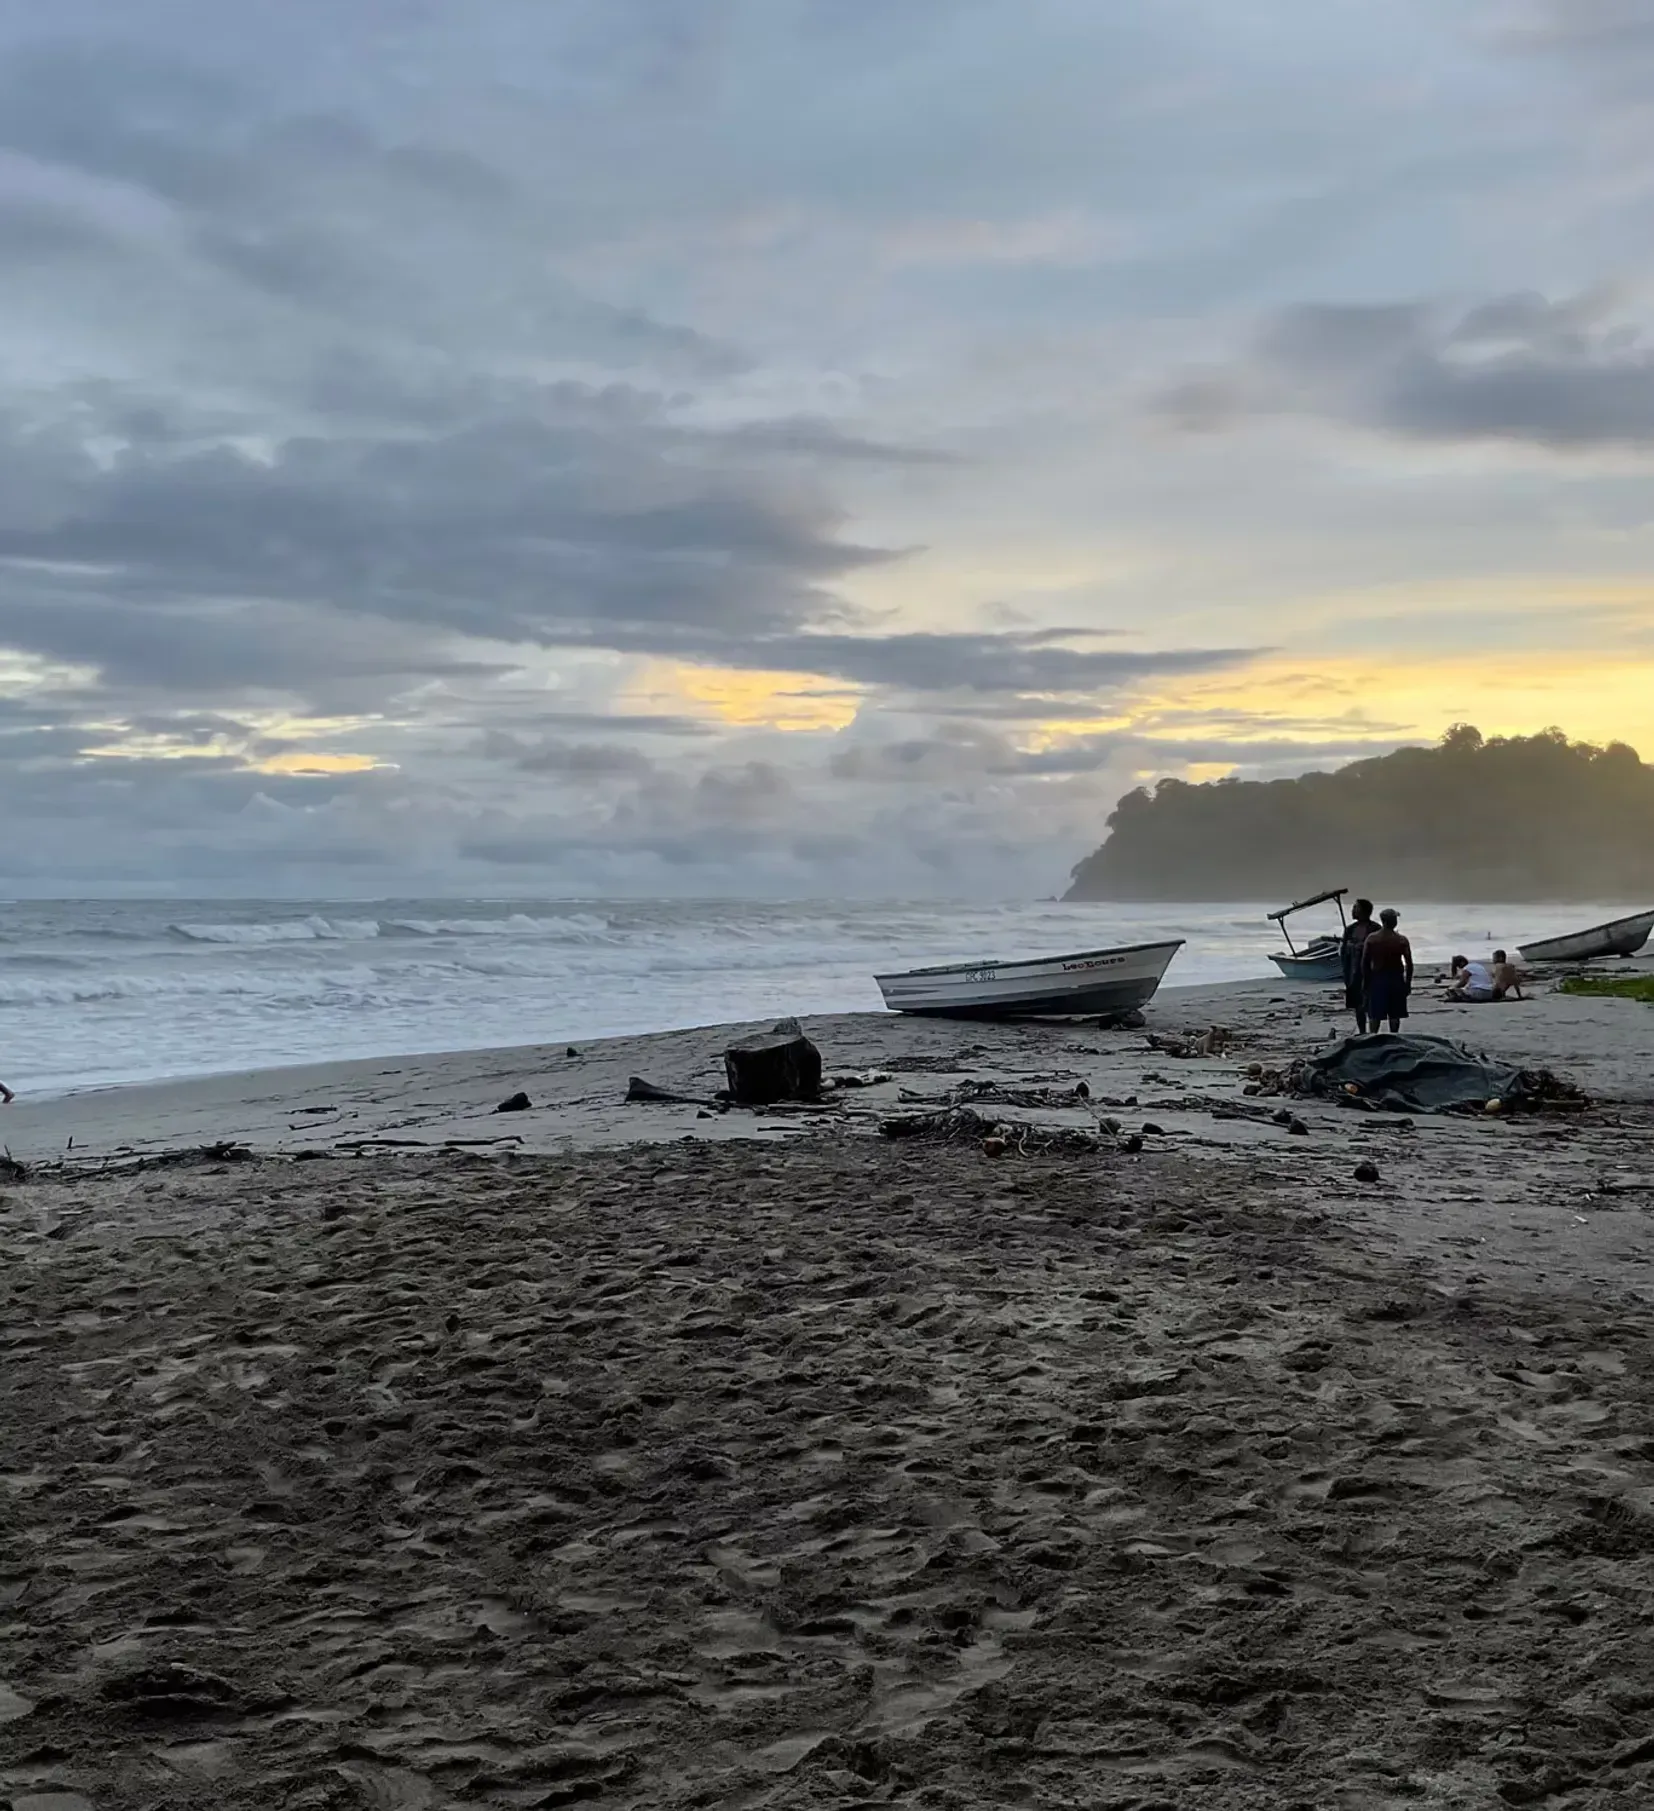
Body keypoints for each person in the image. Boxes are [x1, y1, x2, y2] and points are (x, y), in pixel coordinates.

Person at [1362, 907, 1414, 1033]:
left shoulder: (1372, 938)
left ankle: (1372, 1038)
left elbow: (1364, 963)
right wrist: (1407, 984)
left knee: (1375, 1014)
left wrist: (1366, 982)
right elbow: (1409, 964)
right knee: (1394, 1014)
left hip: (1377, 978)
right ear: (1393, 921)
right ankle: (1393, 1037)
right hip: (1395, 978)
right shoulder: (1401, 940)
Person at [1340, 897, 1377, 1034]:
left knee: (1370, 1002)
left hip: (1369, 971)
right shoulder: (1350, 930)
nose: (1353, 910)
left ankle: (1372, 1032)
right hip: (1353, 971)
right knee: (1357, 1004)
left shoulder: (1374, 928)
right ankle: (1362, 1031)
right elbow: (1343, 953)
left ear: (1364, 911)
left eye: (1356, 908)